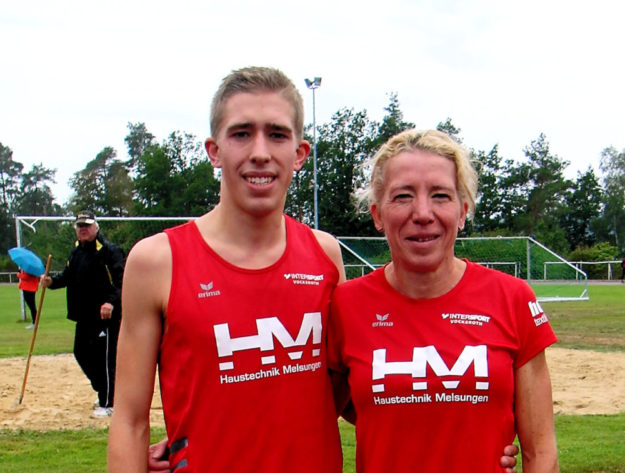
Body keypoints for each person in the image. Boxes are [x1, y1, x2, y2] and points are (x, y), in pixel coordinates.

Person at [109, 67, 519, 473]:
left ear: (299, 153)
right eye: (240, 133)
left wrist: (476, 437)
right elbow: (129, 420)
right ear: (214, 150)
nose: (259, 152)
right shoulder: (157, 261)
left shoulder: (324, 256)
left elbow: (364, 392)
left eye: (276, 134)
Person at [327, 129, 559, 472]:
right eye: (403, 196)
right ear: (377, 214)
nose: (422, 213)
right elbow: (318, 416)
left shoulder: (511, 298)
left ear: (463, 211)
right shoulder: (346, 305)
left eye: (440, 196)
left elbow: (542, 453)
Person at [40, 210, 125, 418]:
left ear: (96, 227)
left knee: (105, 359)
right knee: (81, 354)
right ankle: (103, 389)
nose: (83, 229)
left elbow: (124, 282)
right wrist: (51, 282)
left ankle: (109, 402)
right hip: (83, 316)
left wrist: (111, 302)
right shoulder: (76, 251)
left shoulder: (110, 251)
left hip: (105, 317)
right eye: (80, 226)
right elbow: (68, 276)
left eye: (87, 225)